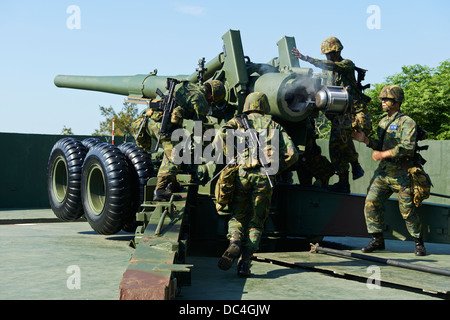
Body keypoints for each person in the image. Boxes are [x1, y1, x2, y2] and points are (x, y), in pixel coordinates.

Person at [216, 92, 299, 277]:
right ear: (265, 106)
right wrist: (276, 168)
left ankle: (235, 241)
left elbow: (221, 134)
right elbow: (293, 154)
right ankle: (244, 263)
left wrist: (233, 153)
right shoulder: (275, 125)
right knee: (257, 221)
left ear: (247, 105)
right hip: (264, 177)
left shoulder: (237, 122)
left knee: (237, 214)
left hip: (243, 173)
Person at [352, 85, 426, 256]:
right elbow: (380, 144)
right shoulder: (383, 122)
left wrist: (383, 154)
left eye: (386, 99)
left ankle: (418, 242)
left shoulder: (407, 122)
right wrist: (366, 141)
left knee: (407, 211)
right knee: (370, 203)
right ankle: (377, 239)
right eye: (382, 100)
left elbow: (408, 147)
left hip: (403, 174)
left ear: (396, 101)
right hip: (384, 173)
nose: (383, 102)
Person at [292, 37, 372, 193]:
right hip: (339, 116)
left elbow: (332, 65)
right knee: (336, 148)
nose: (328, 57)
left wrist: (306, 59)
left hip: (355, 113)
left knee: (342, 139)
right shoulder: (326, 72)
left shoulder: (346, 64)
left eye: (330, 54)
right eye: (326, 55)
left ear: (338, 51)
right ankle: (345, 180)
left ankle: (353, 166)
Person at [133, 79, 226, 201]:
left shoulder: (191, 87)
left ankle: (173, 184)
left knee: (171, 152)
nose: (211, 102)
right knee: (175, 157)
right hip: (161, 125)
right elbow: (199, 128)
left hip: (150, 120)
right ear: (211, 95)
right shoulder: (201, 101)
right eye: (213, 100)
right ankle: (159, 191)